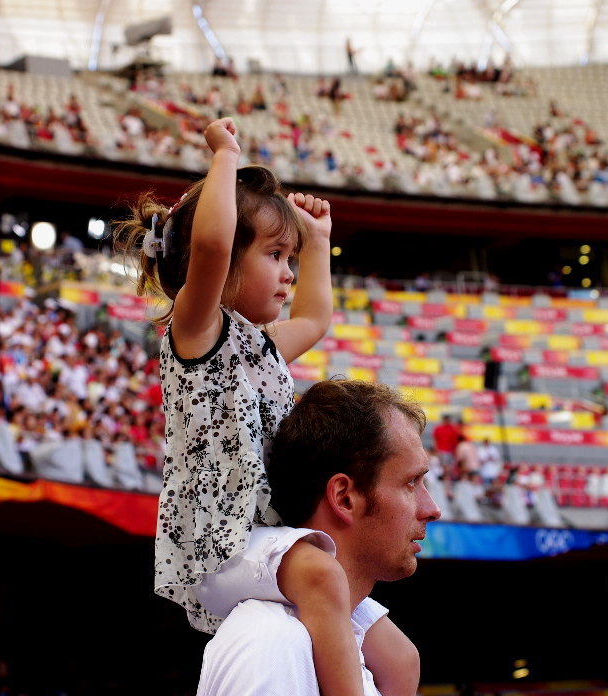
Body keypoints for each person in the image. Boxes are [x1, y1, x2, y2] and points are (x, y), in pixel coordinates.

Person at [117, 117, 372, 696]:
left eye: (292, 258)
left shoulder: (260, 344)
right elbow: (209, 243)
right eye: (276, 255)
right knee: (319, 572)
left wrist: (319, 240)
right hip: (218, 541)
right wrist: (224, 156)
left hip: (268, 536)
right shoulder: (196, 332)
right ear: (226, 262)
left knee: (398, 655)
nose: (289, 273)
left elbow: (314, 318)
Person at [197, 379, 442, 695]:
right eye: (411, 483)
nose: (433, 509)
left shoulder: (369, 656)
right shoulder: (270, 642)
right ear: (344, 498)